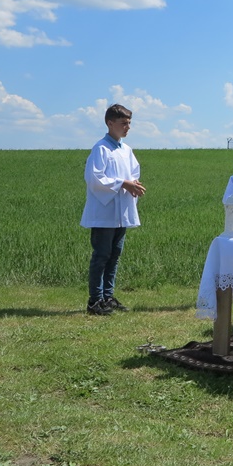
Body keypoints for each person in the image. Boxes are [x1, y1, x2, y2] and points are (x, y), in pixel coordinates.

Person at [81, 103, 145, 316]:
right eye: (123, 123)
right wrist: (123, 183)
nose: (128, 127)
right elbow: (95, 178)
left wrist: (134, 184)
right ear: (110, 123)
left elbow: (133, 172)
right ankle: (95, 300)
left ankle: (108, 297)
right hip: (105, 212)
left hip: (121, 212)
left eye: (129, 123)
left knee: (114, 256)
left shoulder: (126, 150)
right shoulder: (101, 148)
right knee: (101, 255)